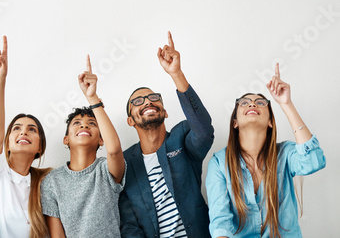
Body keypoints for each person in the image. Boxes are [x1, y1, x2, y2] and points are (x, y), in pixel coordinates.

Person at [206, 64, 326, 238]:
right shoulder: (218, 163)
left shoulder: (285, 153)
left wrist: (286, 104)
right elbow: (220, 221)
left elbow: (314, 161)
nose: (252, 103)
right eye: (244, 102)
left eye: (261, 102)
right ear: (235, 123)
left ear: (270, 121)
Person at [119, 31, 214, 238]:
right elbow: (129, 225)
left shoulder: (182, 136)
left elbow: (204, 132)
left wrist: (176, 74)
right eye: (137, 101)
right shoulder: (125, 162)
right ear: (130, 120)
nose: (147, 102)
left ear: (165, 111)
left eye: (153, 98)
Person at [41, 55, 126, 238]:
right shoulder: (52, 182)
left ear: (101, 140)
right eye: (77, 123)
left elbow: (115, 149)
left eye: (91, 123)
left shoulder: (106, 170)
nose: (84, 125)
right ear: (66, 139)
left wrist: (92, 98)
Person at [0, 36, 51, 238]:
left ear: (40, 147)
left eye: (32, 129)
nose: (23, 132)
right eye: (16, 128)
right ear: (7, 143)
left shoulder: (45, 183)